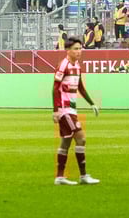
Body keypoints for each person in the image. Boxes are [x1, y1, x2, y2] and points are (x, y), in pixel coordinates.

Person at [52, 37, 100, 185]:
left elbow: (80, 87)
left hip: (72, 109)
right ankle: (83, 176)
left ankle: (60, 177)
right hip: (64, 110)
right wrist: (56, 110)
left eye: (80, 49)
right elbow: (55, 88)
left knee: (66, 142)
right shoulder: (63, 65)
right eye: (76, 49)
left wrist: (92, 103)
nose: (79, 52)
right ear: (68, 50)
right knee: (81, 138)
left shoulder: (77, 66)